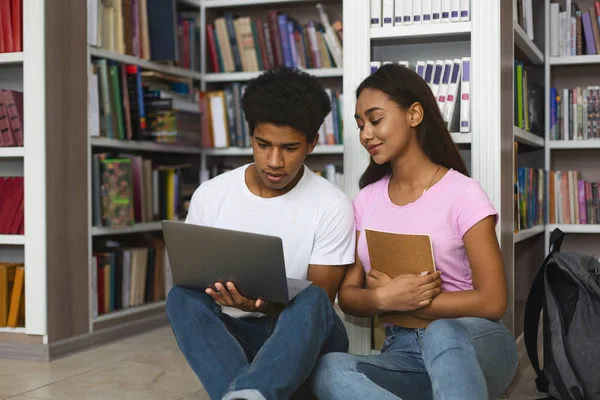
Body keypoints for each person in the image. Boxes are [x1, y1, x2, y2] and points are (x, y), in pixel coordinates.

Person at [310, 64, 519, 400]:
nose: (365, 134)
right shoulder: (365, 201)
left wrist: (411, 303)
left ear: (414, 114)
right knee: (329, 368)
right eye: (360, 124)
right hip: (404, 351)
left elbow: (493, 302)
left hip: (472, 341)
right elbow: (348, 297)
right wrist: (382, 299)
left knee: (442, 334)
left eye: (375, 120)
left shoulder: (463, 193)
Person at [165, 67, 354, 400]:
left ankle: (250, 389)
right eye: (263, 144)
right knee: (181, 298)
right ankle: (250, 392)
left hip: (301, 339)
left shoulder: (331, 204)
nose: (274, 161)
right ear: (250, 136)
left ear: (311, 143)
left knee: (311, 298)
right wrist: (222, 296)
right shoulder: (212, 194)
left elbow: (320, 304)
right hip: (236, 334)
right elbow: (195, 280)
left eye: (289, 148)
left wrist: (267, 306)